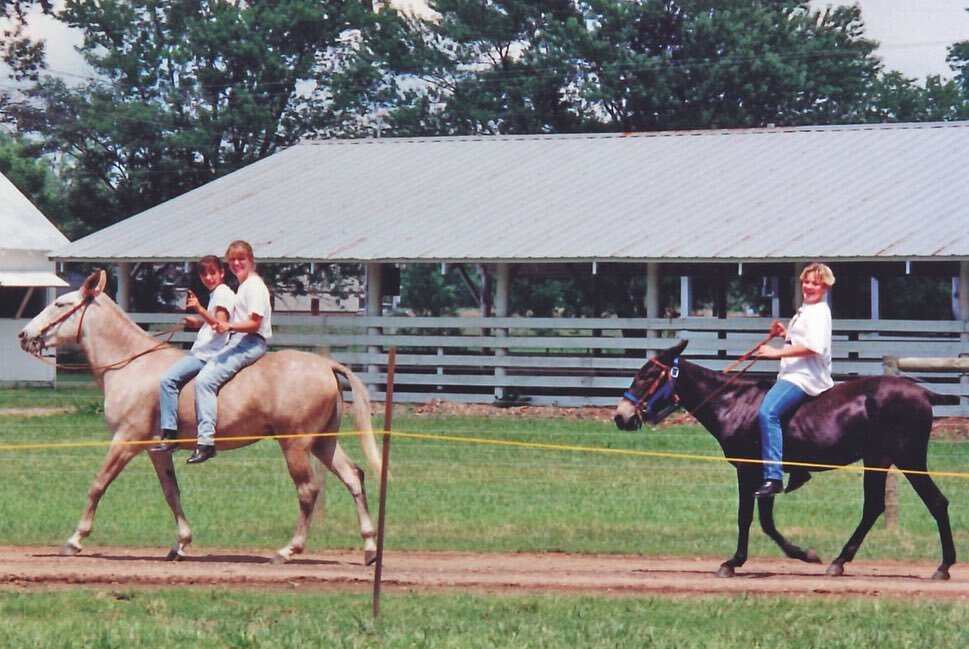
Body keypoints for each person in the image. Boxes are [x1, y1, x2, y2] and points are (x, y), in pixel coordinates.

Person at [752, 262, 835, 498]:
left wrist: (775, 352)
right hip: (794, 373)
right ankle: (797, 466)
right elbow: (803, 338)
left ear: (825, 287)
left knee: (767, 413)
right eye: (806, 282)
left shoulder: (819, 311)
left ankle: (773, 477)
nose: (808, 286)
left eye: (815, 283)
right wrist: (785, 334)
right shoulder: (807, 309)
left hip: (805, 377)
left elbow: (814, 346)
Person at [187, 240, 273, 464]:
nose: (236, 263)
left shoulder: (254, 286)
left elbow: (254, 323)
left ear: (251, 261)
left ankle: (205, 442)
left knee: (204, 381)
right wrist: (199, 323)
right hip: (240, 339)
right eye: (232, 260)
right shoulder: (243, 286)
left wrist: (230, 327)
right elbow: (226, 322)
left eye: (241, 259)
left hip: (248, 341)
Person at [151, 255, 235, 453]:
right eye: (204, 274)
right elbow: (213, 321)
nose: (208, 277)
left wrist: (198, 308)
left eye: (213, 273)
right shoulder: (219, 293)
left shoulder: (222, 294)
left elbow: (219, 325)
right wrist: (196, 322)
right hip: (206, 351)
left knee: (167, 380)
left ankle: (170, 433)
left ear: (222, 273)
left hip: (205, 354)